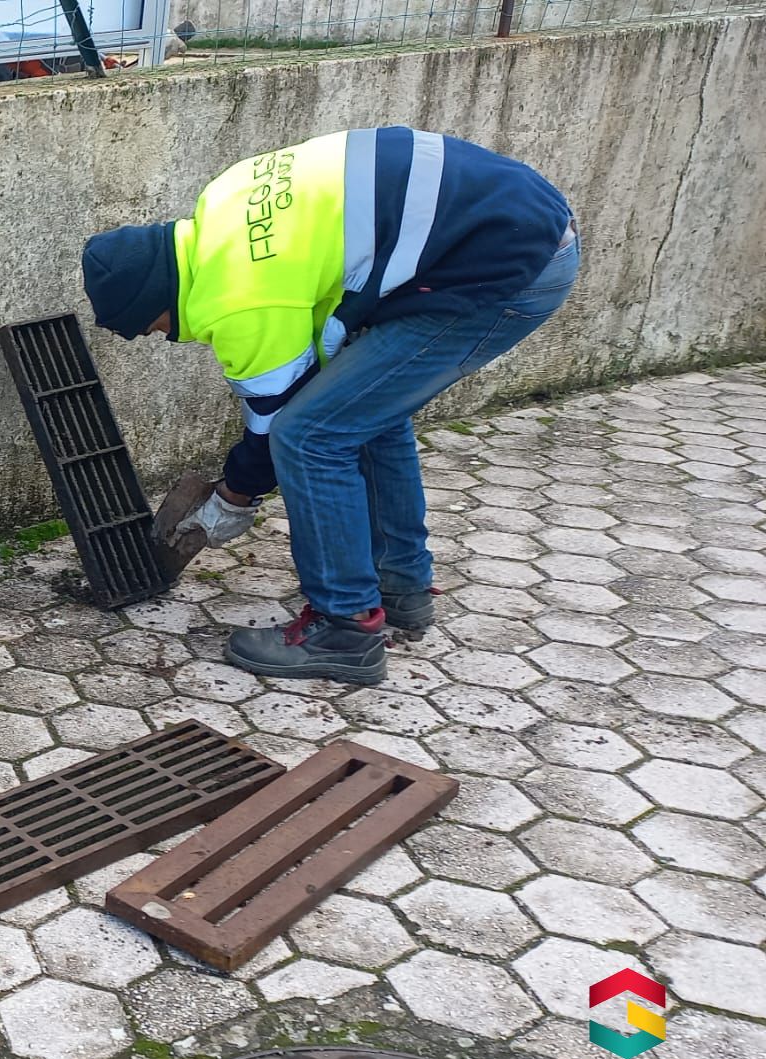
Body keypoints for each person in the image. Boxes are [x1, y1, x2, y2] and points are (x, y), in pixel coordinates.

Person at [81, 126, 577, 684]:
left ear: (158, 297)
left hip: (505, 265)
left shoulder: (238, 297)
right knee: (360, 413)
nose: (165, 338)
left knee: (310, 436)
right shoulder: (224, 205)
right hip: (508, 219)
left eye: (152, 327)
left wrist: (232, 499)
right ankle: (399, 586)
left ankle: (344, 629)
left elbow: (275, 425)